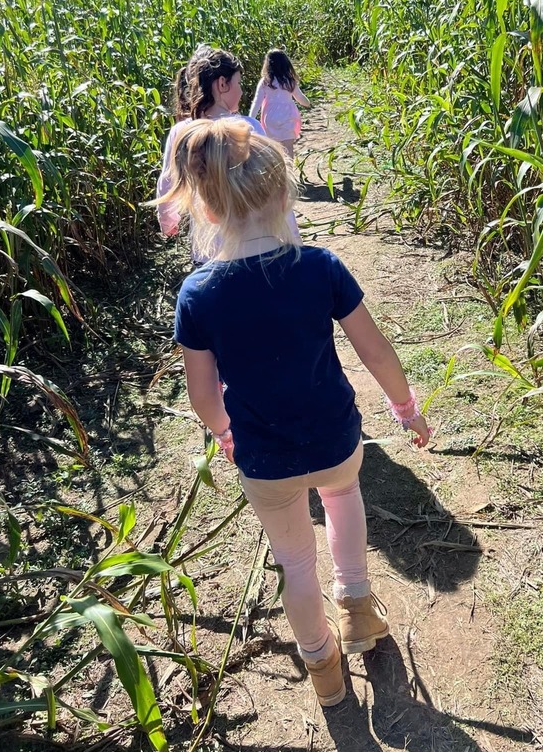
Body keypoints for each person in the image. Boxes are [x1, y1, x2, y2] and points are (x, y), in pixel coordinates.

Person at [154, 118, 431, 708]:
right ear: (284, 196)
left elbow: (203, 395)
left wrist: (225, 433)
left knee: (295, 561)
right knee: (343, 501)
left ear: (205, 211)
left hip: (264, 459)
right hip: (336, 439)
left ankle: (322, 666)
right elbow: (375, 350)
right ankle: (356, 605)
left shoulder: (199, 295)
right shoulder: (319, 266)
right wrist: (405, 409)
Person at [156, 46, 287, 261]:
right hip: (253, 242)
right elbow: (273, 180)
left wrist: (168, 221)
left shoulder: (181, 132)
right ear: (222, 84)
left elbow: (168, 182)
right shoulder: (248, 127)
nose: (242, 91)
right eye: (239, 83)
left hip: (207, 248)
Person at [248, 48, 310, 158]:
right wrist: (308, 103)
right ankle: (289, 172)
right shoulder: (290, 80)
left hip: (270, 118)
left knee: (274, 149)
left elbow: (257, 101)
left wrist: (250, 119)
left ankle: (277, 172)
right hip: (288, 116)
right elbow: (299, 97)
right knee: (288, 148)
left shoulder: (265, 81)